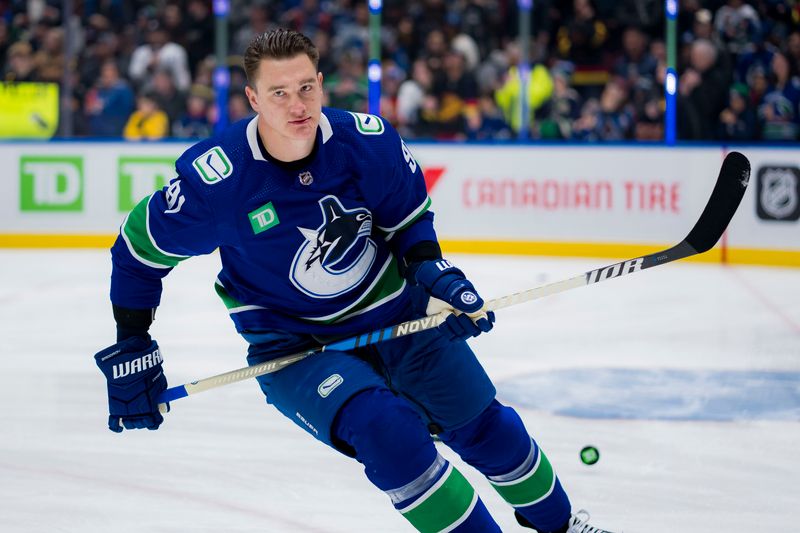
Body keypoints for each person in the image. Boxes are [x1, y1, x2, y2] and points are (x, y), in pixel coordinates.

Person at [94, 28, 615, 533]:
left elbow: (409, 224)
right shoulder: (219, 181)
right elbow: (137, 253)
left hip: (399, 319)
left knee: (489, 430)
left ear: (320, 82)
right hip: (299, 349)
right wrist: (132, 340)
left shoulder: (366, 143)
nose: (297, 105)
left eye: (306, 87)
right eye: (279, 93)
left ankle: (564, 526)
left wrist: (435, 274)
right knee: (389, 434)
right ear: (253, 97)